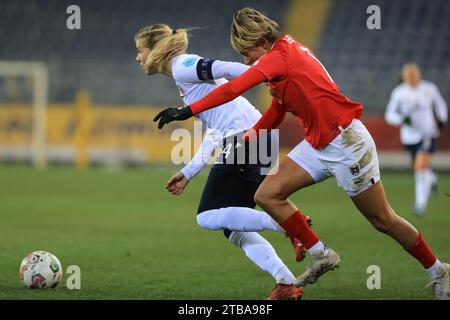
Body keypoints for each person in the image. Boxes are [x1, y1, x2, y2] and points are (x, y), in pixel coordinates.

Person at [153, 8, 450, 299]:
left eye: (247, 52)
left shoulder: (279, 56)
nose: (245, 60)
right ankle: (321, 254)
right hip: (319, 143)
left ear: (262, 41)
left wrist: (186, 111)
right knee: (267, 194)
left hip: (347, 143)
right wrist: (251, 136)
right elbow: (277, 111)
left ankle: (439, 270)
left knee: (383, 219)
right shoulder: (282, 58)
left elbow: (233, 89)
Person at [135, 23, 305, 300]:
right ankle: (285, 283)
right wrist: (189, 172)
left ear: (154, 50)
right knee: (234, 229)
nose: (138, 57)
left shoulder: (183, 65)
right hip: (255, 136)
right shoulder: (182, 76)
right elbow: (215, 131)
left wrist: (264, 75)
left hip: (245, 138)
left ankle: (290, 224)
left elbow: (226, 67)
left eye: (139, 51)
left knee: (207, 216)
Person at [385, 63, 448, 215]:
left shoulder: (429, 88)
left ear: (419, 74)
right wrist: (401, 119)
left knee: (420, 169)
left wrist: (442, 119)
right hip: (409, 137)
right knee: (418, 167)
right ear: (404, 77)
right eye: (408, 75)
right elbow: (390, 115)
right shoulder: (399, 92)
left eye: (414, 74)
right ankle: (432, 178)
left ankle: (420, 205)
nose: (412, 77)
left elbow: (440, 104)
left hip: (427, 133)